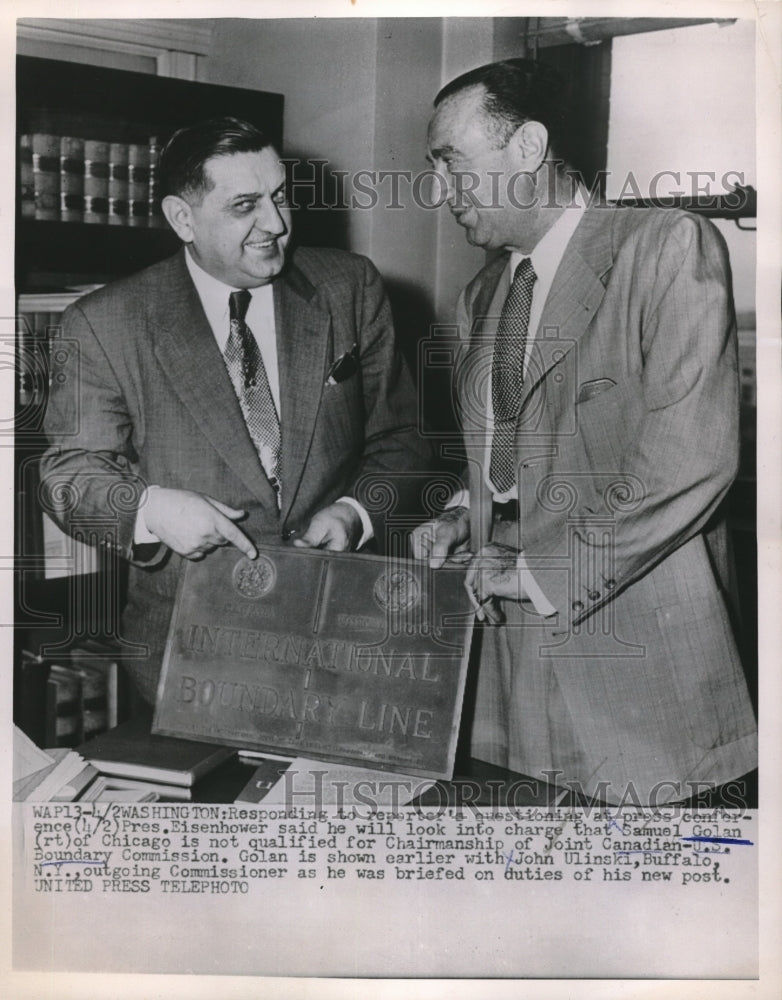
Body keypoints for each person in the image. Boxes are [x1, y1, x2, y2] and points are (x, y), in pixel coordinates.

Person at [412, 59, 757, 805]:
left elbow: (690, 463)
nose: (440, 191)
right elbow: (507, 472)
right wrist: (459, 518)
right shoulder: (479, 298)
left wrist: (539, 572)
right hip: (506, 688)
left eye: (452, 164)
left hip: (640, 691)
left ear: (529, 149)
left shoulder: (665, 247)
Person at [41, 116, 430, 703]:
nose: (274, 224)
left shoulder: (349, 287)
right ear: (182, 219)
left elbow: (403, 439)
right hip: (190, 657)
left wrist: (354, 513)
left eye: (279, 197)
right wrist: (150, 508)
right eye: (245, 204)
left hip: (345, 643)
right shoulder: (105, 323)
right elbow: (70, 475)